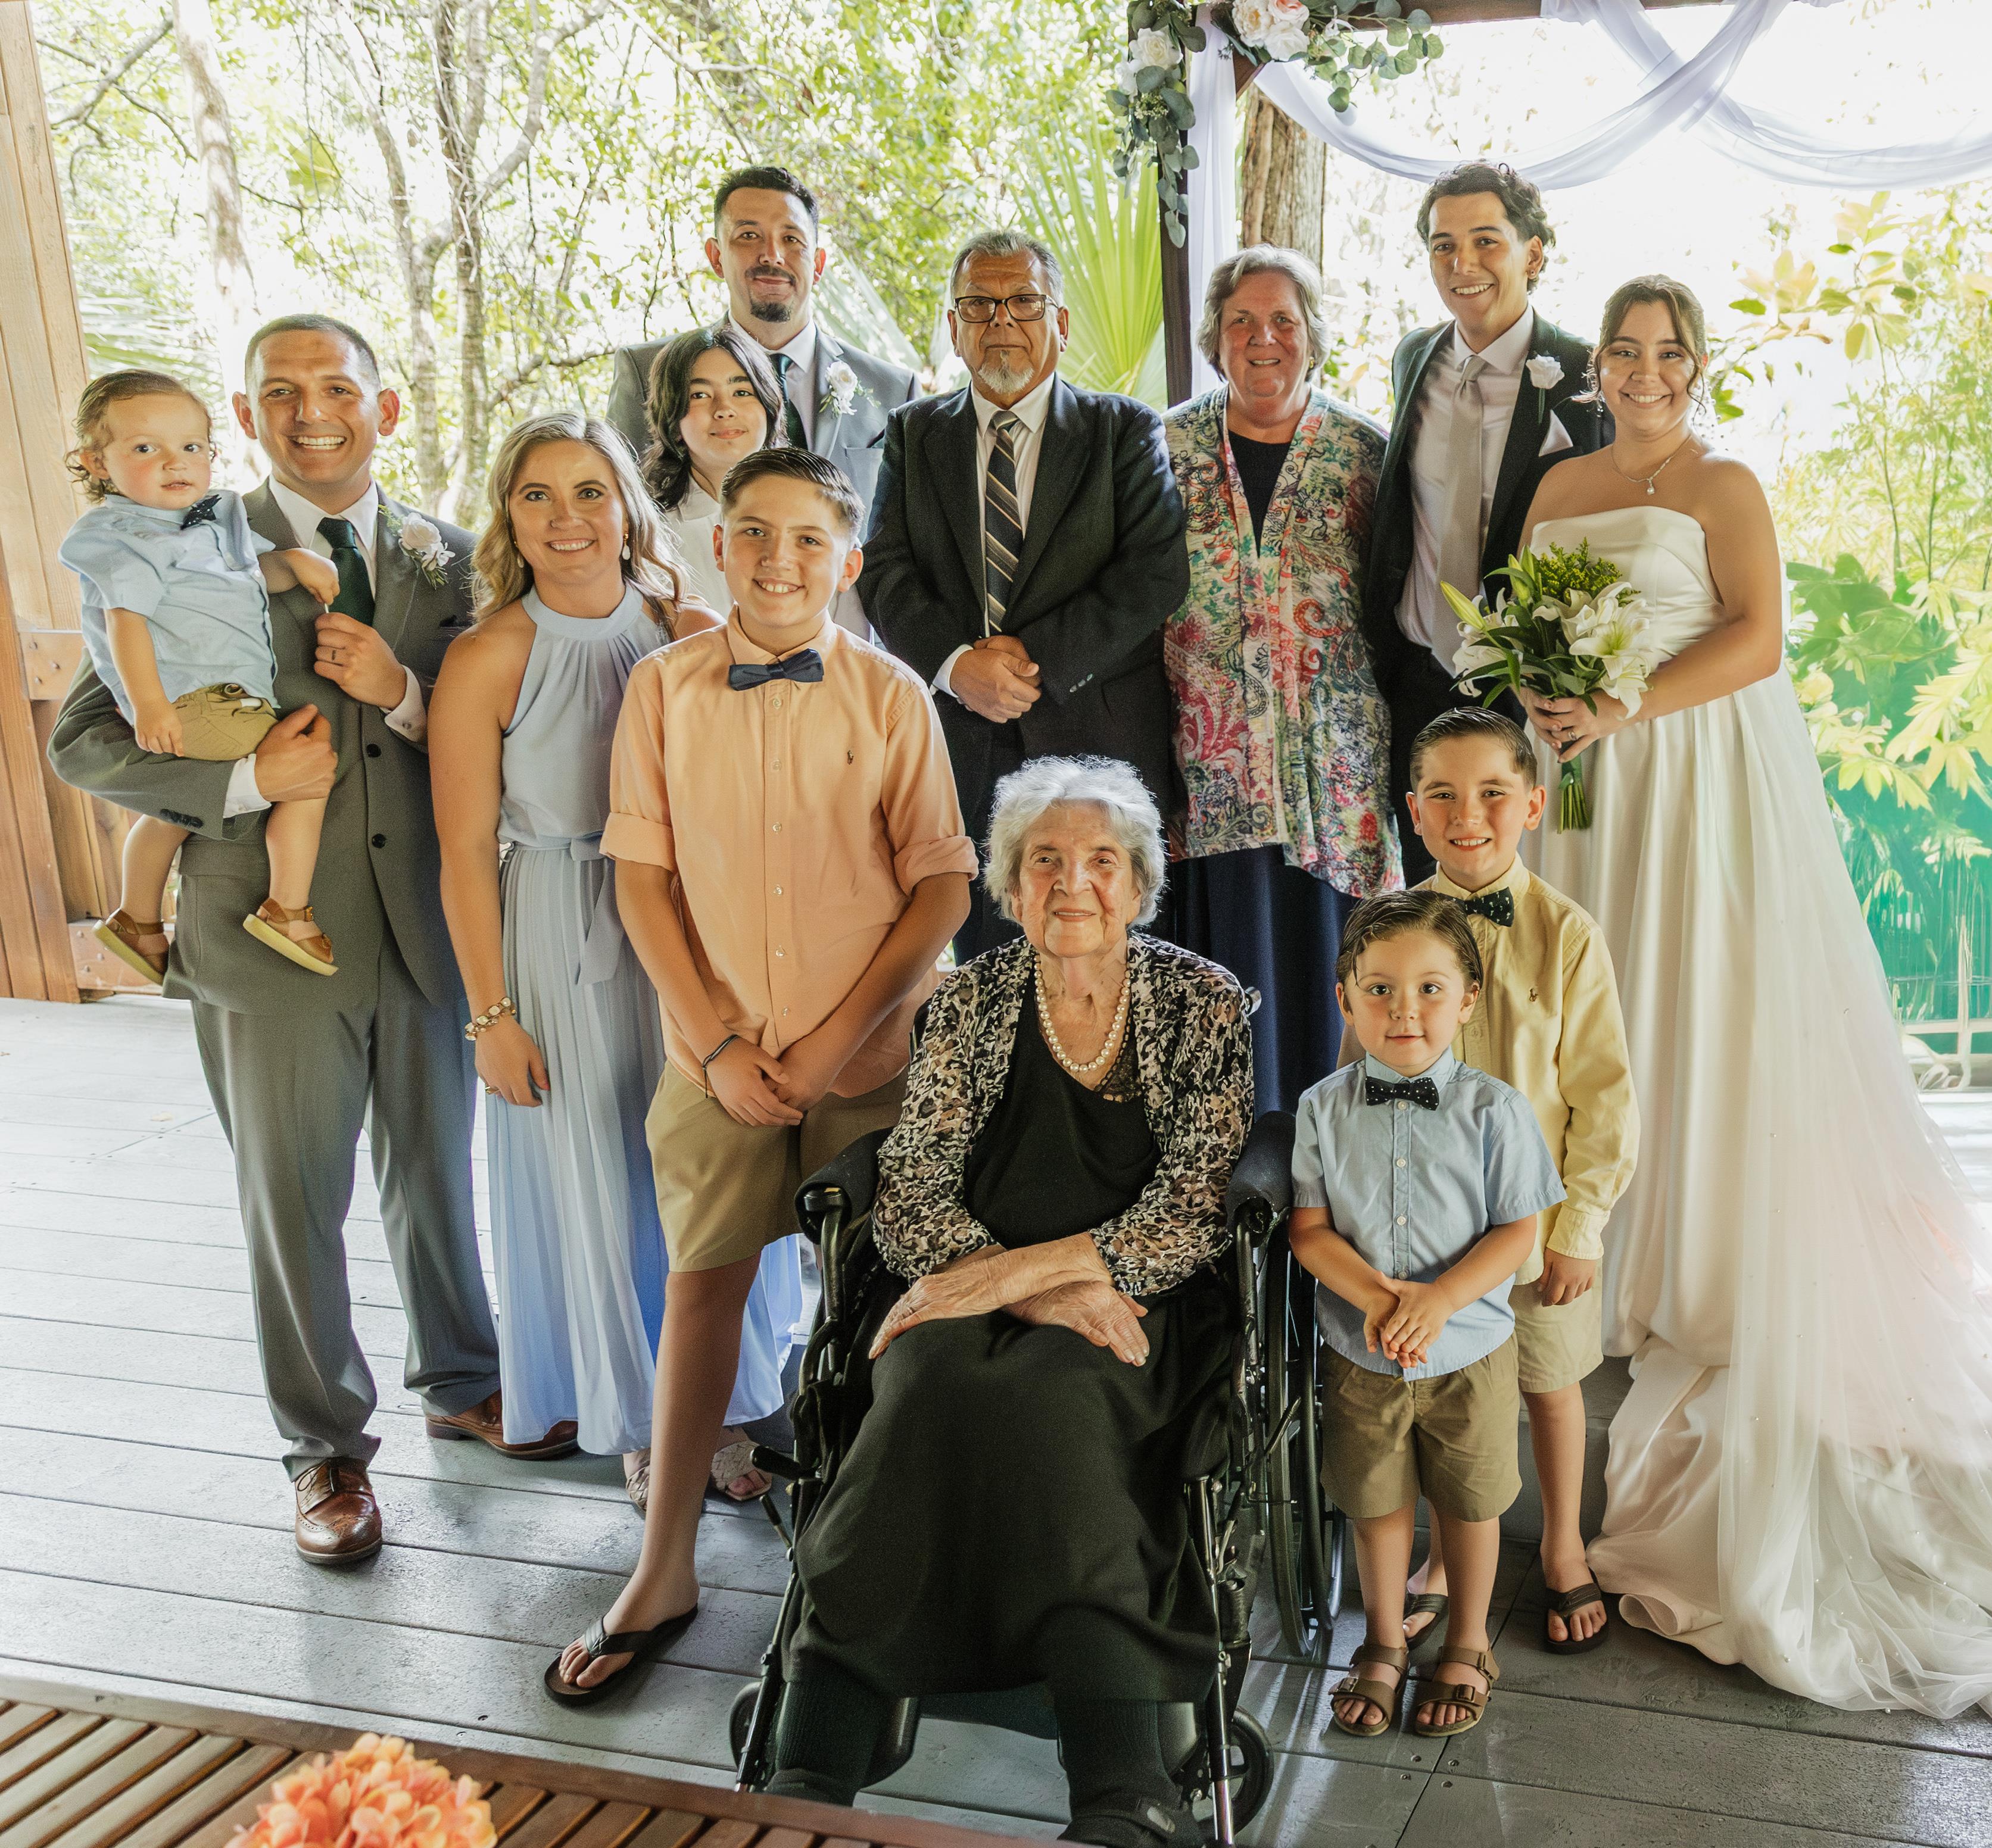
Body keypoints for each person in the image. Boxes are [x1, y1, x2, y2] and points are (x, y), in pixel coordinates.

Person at [1518, 276, 1992, 1717]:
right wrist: (1550, 705)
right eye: (1623, 350)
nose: (1644, 371)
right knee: (1595, 1011)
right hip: (1588, 788)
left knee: (1696, 1000)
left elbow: (1755, 639)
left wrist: (1620, 704)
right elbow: (1532, 623)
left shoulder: (1722, 482)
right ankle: (1601, 1231)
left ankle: (1697, 1253)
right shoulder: (1557, 483)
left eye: (1668, 352)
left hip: (1694, 771)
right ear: (1594, 364)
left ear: (1693, 365)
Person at [49, 314, 573, 1566]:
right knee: (292, 1200)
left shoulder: (456, 560)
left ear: (384, 411)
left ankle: (463, 1377)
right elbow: (83, 739)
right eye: (278, 391)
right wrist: (242, 790)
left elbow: (516, 730)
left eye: (336, 387)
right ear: (246, 415)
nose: (309, 410)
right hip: (261, 929)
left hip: (431, 934)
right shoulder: (181, 539)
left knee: (440, 1173)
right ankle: (323, 1446)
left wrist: (399, 687)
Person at [545, 447, 975, 1702]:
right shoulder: (663, 689)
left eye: (804, 540)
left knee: (882, 1308)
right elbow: (639, 877)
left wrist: (834, 1043)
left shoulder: (893, 697)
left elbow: (941, 883)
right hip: (711, 1056)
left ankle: (883, 1568)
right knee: (700, 1294)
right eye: (751, 534)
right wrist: (724, 1046)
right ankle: (663, 1564)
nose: (776, 560)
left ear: (844, 563)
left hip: (872, 1058)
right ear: (717, 548)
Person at [761, 756, 1254, 1844]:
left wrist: (1020, 1282)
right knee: (921, 1388)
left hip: (1137, 1301)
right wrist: (1011, 1288)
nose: (1073, 884)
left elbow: (1188, 1207)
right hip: (963, 1284)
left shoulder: (1201, 1000)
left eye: (1100, 862)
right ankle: (814, 1760)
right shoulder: (974, 999)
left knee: (1064, 1401)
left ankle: (1123, 1786)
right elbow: (918, 1184)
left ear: (1140, 881)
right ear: (1012, 884)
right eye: (1045, 862)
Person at [429, 412, 800, 1510]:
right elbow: (460, 850)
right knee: (603, 1166)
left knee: (708, 1160)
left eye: (589, 491)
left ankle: (738, 1397)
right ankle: (642, 1422)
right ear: (508, 516)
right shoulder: (489, 653)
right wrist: (489, 1012)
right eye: (537, 495)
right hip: (559, 918)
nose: (566, 518)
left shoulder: (684, 624)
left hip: (691, 910)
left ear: (627, 505)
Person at [861, 229, 1189, 959]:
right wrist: (954, 665)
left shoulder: (1123, 428)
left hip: (1098, 752)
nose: (1000, 321)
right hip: (959, 754)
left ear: (1061, 323)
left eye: (1023, 302)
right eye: (977, 305)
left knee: (1110, 970)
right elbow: (882, 570)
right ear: (953, 326)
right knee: (986, 975)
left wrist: (1028, 662)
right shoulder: (914, 434)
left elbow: (1155, 573)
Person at [1291, 892, 1564, 1739]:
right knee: (1374, 1503)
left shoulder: (1498, 1111)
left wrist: (1439, 1299)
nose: (1402, 1009)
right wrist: (1381, 1299)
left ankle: (1469, 1641)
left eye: (1429, 989)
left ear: (1468, 999)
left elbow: (1517, 1229)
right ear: (1344, 999)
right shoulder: (1320, 1110)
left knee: (1468, 1503)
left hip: (1470, 1348)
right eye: (1378, 990)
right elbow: (1308, 1229)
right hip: (1362, 1352)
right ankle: (1379, 1641)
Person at [1393, 708, 1637, 1655]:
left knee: (1549, 1382)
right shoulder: (1390, 929)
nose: (1469, 815)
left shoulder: (1567, 935)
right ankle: (1450, 1555)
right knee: (1445, 1396)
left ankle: (1566, 1544)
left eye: (1493, 793)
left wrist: (1578, 1229)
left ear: (1533, 804)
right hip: (1427, 1227)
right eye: (1445, 796)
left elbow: (1603, 1097)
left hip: (1534, 1229)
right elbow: (1355, 1075)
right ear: (1414, 812)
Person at [1163, 246, 1402, 1110]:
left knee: (1336, 1014)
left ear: (1313, 337)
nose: (1262, 338)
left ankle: (1331, 1223)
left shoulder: (1364, 452)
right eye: (1240, 321)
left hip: (1337, 791)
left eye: (1283, 322)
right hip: (1210, 784)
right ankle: (1231, 1230)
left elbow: (1402, 607)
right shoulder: (1166, 449)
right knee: (1223, 1030)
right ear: (1214, 338)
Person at [1361, 163, 1608, 882]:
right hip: (1415, 674)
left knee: (1530, 892)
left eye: (1484, 242)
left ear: (1532, 253)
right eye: (1442, 246)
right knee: (1428, 888)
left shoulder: (1586, 375)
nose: (1461, 265)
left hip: (1528, 685)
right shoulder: (1415, 356)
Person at [60, 369, 342, 984]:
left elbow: (243, 580)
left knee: (171, 811)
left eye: (190, 447)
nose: (174, 462)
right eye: (145, 448)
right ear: (96, 462)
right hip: (200, 701)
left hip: (214, 699)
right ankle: (287, 908)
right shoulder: (123, 534)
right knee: (307, 770)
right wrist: (151, 705)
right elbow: (125, 621)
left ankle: (136, 918)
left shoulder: (210, 519)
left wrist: (289, 561)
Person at [606, 161, 916, 610]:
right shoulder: (645, 370)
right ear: (716, 256)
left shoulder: (892, 389)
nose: (771, 255)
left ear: (819, 262)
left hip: (850, 651)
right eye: (748, 236)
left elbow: (905, 553)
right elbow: (620, 521)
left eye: (791, 239)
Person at [639, 326, 785, 613]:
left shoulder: (818, 509)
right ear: (672, 418)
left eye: (742, 391)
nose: (724, 409)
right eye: (700, 395)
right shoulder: (648, 536)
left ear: (768, 407)